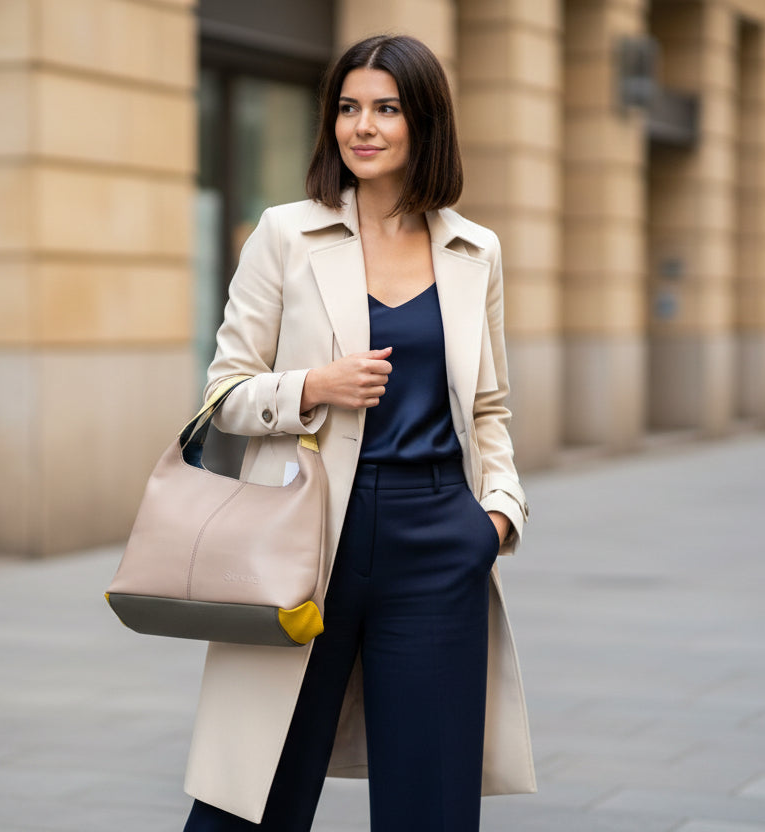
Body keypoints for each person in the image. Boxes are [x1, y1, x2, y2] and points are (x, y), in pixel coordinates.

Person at [182, 34, 535, 831]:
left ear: (425, 125)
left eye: (385, 109)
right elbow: (223, 392)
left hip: (439, 537)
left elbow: (489, 409)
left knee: (431, 803)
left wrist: (499, 516)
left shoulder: (475, 252)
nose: (362, 127)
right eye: (347, 108)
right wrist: (313, 387)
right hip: (308, 532)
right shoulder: (285, 235)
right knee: (253, 792)